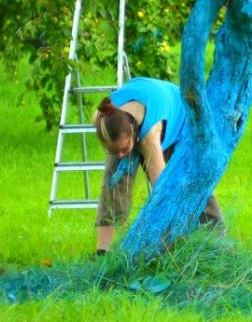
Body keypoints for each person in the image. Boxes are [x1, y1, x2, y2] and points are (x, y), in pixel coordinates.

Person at [92, 76, 224, 255]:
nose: (121, 155)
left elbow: (163, 192)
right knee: (113, 182)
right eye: (113, 150)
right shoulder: (104, 120)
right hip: (138, 112)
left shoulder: (150, 135)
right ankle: (103, 251)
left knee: (189, 179)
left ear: (133, 132)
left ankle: (217, 242)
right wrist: (118, 150)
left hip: (178, 118)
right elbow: (117, 157)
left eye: (123, 149)